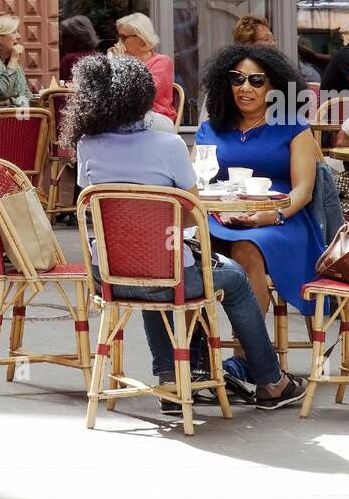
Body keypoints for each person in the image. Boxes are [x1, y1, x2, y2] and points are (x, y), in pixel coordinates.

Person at [69, 53, 304, 411]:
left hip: (107, 274)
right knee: (230, 277)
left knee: (152, 266)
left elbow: (96, 203)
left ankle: (173, 382)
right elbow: (193, 216)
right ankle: (270, 382)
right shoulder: (169, 145)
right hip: (165, 274)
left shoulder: (86, 143)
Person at [195, 43, 324, 320]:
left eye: (256, 80)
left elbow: (304, 191)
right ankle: (197, 349)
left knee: (247, 247)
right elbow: (196, 181)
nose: (245, 87)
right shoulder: (210, 128)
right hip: (219, 216)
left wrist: (270, 216)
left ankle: (248, 357)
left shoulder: (293, 125)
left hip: (282, 218)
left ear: (274, 86)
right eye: (236, 79)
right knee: (187, 249)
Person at [110, 13, 176, 127]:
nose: (119, 42)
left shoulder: (162, 62)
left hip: (155, 117)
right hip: (127, 116)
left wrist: (122, 63)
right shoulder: (120, 59)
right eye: (119, 37)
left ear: (141, 38)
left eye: (123, 37)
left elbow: (146, 96)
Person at [59, 15, 99, 82]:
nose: (62, 41)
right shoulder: (97, 57)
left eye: (65, 36)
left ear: (76, 37)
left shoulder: (69, 60)